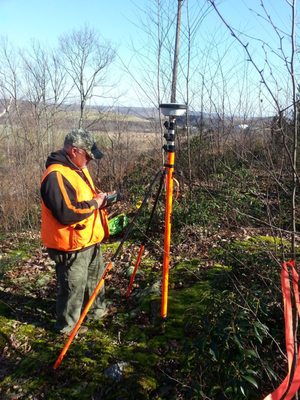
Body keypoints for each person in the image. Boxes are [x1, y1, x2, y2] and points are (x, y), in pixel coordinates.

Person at [40, 128, 112, 334]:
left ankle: (96, 312)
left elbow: (84, 198)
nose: (89, 160)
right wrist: (96, 204)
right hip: (70, 246)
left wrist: (102, 198)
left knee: (95, 280)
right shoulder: (55, 176)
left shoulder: (79, 168)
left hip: (89, 239)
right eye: (87, 155)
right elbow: (67, 212)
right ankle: (67, 326)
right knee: (72, 288)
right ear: (74, 151)